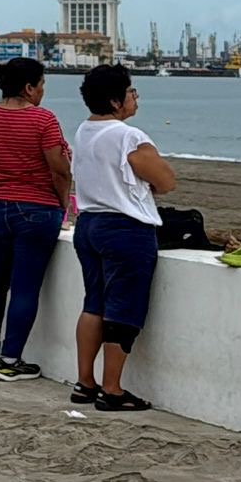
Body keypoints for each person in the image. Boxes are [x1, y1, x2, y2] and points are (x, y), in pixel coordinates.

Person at [71, 65, 175, 411]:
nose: (135, 98)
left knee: (94, 303)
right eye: (132, 92)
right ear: (116, 101)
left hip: (88, 223)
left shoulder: (83, 131)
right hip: (125, 228)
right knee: (124, 307)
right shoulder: (128, 136)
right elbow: (165, 181)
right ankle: (112, 389)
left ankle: (85, 382)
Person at [0, 57, 72, 383]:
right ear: (28, 87)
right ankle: (10, 360)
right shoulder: (43, 119)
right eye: (41, 85)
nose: (42, 91)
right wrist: (62, 203)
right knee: (25, 286)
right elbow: (60, 169)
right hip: (37, 208)